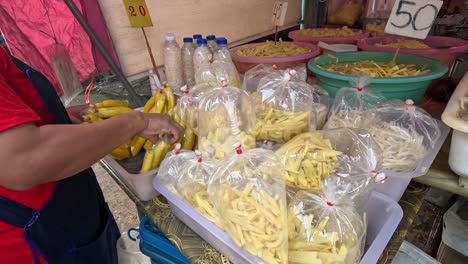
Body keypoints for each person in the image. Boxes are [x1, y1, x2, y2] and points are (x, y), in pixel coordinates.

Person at [0, 47, 183, 264]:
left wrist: (53, 115)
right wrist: (136, 122)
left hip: (66, 219)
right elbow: (22, 160)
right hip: (40, 243)